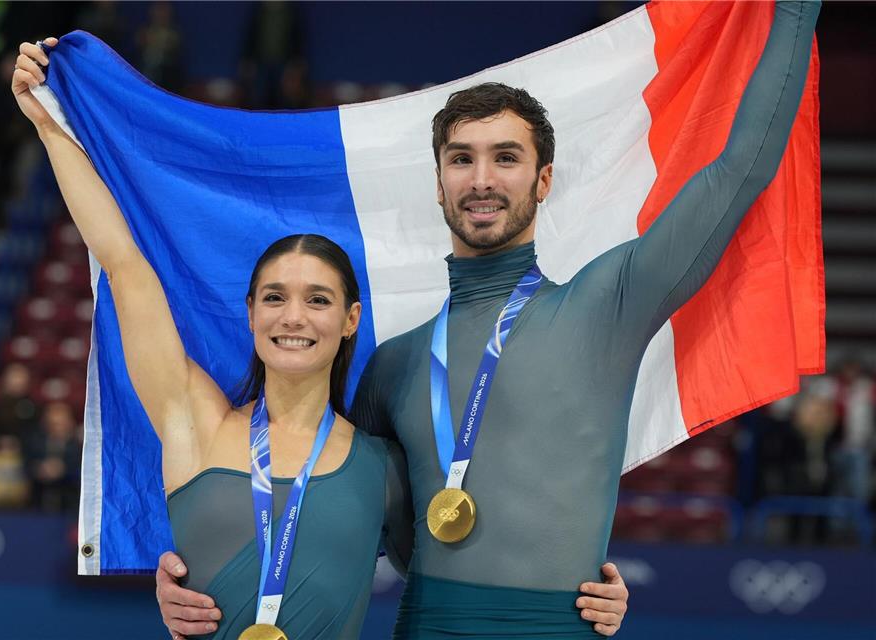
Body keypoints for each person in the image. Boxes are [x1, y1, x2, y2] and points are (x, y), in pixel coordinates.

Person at [154, 0, 818, 637]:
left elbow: (740, 170)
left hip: (557, 630)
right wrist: (193, 584)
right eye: (461, 159)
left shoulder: (608, 305)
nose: (481, 179)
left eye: (506, 157)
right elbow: (327, 516)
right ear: (439, 182)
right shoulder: (395, 365)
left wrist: (797, 7)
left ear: (544, 180)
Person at [13, 39, 414, 639]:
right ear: (250, 314)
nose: (294, 317)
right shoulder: (194, 422)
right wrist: (50, 127)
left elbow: (460, 583)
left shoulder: (385, 468)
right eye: (274, 298)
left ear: (351, 318)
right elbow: (124, 263)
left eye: (318, 300)